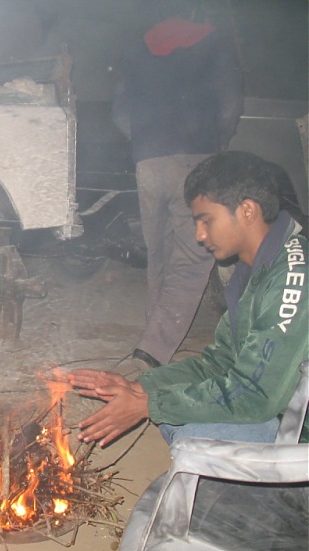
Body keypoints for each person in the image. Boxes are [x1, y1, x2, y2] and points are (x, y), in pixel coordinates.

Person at [69, 151, 308, 448]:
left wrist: (148, 405)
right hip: (278, 411)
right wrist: (141, 387)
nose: (199, 235)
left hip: (297, 431)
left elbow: (256, 395)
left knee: (187, 432)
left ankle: (282, 493)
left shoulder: (294, 275)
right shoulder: (253, 268)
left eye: (206, 221)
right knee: (175, 416)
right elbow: (220, 363)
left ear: (247, 211)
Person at [112, 0, 244, 368]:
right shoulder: (214, 43)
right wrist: (219, 144)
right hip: (195, 160)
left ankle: (155, 329)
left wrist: (142, 143)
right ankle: (151, 355)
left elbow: (120, 109)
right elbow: (230, 102)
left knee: (161, 255)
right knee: (191, 260)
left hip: (149, 163)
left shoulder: (138, 48)